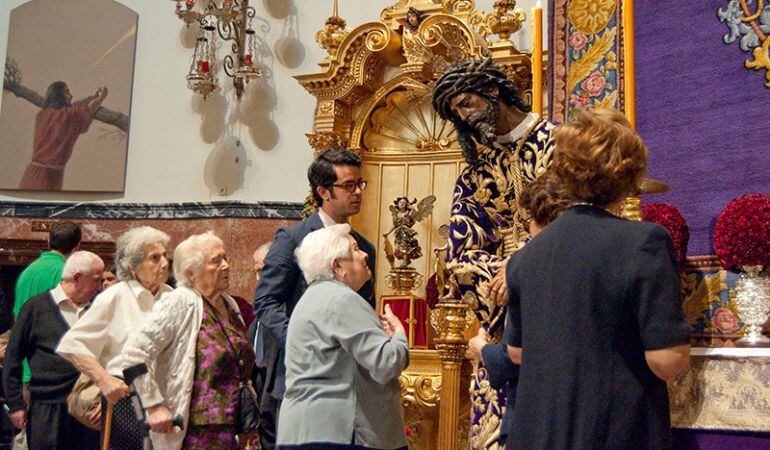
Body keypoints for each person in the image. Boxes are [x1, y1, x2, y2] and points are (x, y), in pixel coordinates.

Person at [503, 108, 691, 449]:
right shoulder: (644, 242)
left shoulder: (524, 257)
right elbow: (666, 361)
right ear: (631, 174)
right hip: (612, 433)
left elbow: (517, 352)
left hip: (535, 435)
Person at [432, 56, 556, 448]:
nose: (464, 117)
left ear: (493, 89)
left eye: (466, 103)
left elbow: (578, 226)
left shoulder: (558, 143)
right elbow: (459, 254)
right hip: (503, 316)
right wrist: (504, 273)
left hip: (557, 301)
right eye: (456, 113)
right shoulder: (474, 173)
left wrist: (521, 267)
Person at [253, 147, 376, 450]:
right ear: (323, 191)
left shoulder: (364, 248)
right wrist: (298, 340)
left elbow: (364, 308)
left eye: (360, 183)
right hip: (302, 377)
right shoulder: (293, 239)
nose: (358, 191)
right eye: (348, 185)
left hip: (347, 382)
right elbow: (266, 302)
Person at [277, 224, 408, 450]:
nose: (365, 254)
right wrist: (399, 337)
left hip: (301, 430)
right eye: (355, 249)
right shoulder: (341, 299)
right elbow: (386, 363)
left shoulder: (310, 299)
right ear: (337, 266)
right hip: (337, 433)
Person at [121, 232, 258, 450]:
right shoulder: (180, 302)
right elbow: (133, 353)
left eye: (225, 258)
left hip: (232, 427)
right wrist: (154, 405)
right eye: (216, 261)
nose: (226, 265)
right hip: (194, 431)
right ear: (191, 273)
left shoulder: (230, 304)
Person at [466, 171, 571, 447]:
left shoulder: (527, 266)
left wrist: (482, 349)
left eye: (527, 224)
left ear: (539, 220)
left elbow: (516, 357)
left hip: (533, 415)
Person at [57, 226, 172, 450]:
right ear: (134, 267)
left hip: (167, 399)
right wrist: (103, 380)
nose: (165, 263)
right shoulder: (115, 296)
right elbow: (73, 344)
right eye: (155, 258)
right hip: (128, 400)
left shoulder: (172, 297)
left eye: (165, 256)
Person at [3, 251, 104, 450]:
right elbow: (12, 357)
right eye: (96, 280)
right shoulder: (36, 307)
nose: (100, 287)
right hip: (47, 407)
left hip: (87, 407)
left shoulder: (98, 308)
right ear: (76, 278)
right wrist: (16, 404)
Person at [13, 221, 81, 390]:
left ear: (48, 242)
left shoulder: (27, 272)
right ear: (78, 246)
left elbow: (16, 316)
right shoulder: (67, 273)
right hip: (52, 373)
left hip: (25, 368)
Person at [19, 82, 108, 191]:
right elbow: (86, 109)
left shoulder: (43, 114)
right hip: (45, 178)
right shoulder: (68, 116)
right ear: (58, 95)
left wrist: (92, 97)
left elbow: (74, 107)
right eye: (66, 92)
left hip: (35, 173)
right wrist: (101, 98)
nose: (71, 95)